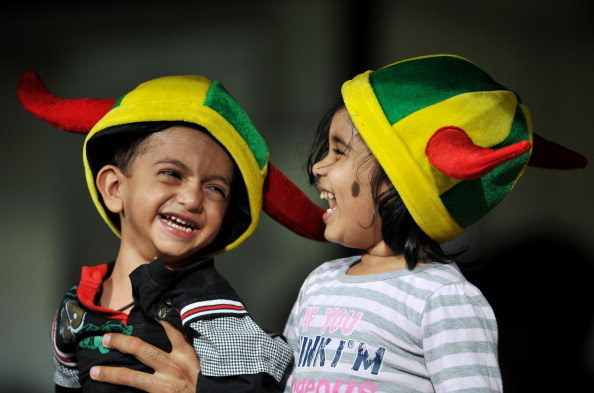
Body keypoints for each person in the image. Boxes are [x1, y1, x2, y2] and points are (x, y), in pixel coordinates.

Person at [44, 54, 586, 393]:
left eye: (339, 151)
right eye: (324, 150)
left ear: (399, 180)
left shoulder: (446, 300)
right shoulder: (322, 284)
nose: (317, 168)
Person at [17, 72, 326, 393]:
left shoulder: (207, 302)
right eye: (171, 173)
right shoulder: (75, 304)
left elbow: (264, 383)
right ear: (113, 187)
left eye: (215, 188)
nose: (192, 198)